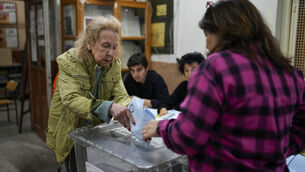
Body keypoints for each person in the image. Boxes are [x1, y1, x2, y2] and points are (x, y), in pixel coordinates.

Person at [142, 0, 305, 171]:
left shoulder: (217, 68)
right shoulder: (290, 73)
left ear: (225, 31)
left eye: (207, 35)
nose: (206, 44)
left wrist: (161, 128)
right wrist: (281, 149)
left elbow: (188, 136)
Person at [46, 16, 135, 172]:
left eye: (115, 47)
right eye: (105, 46)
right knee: (73, 165)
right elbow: (71, 99)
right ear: (89, 43)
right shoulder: (69, 62)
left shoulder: (113, 64)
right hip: (69, 129)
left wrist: (130, 111)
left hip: (94, 132)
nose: (110, 53)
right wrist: (109, 107)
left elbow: (120, 94)